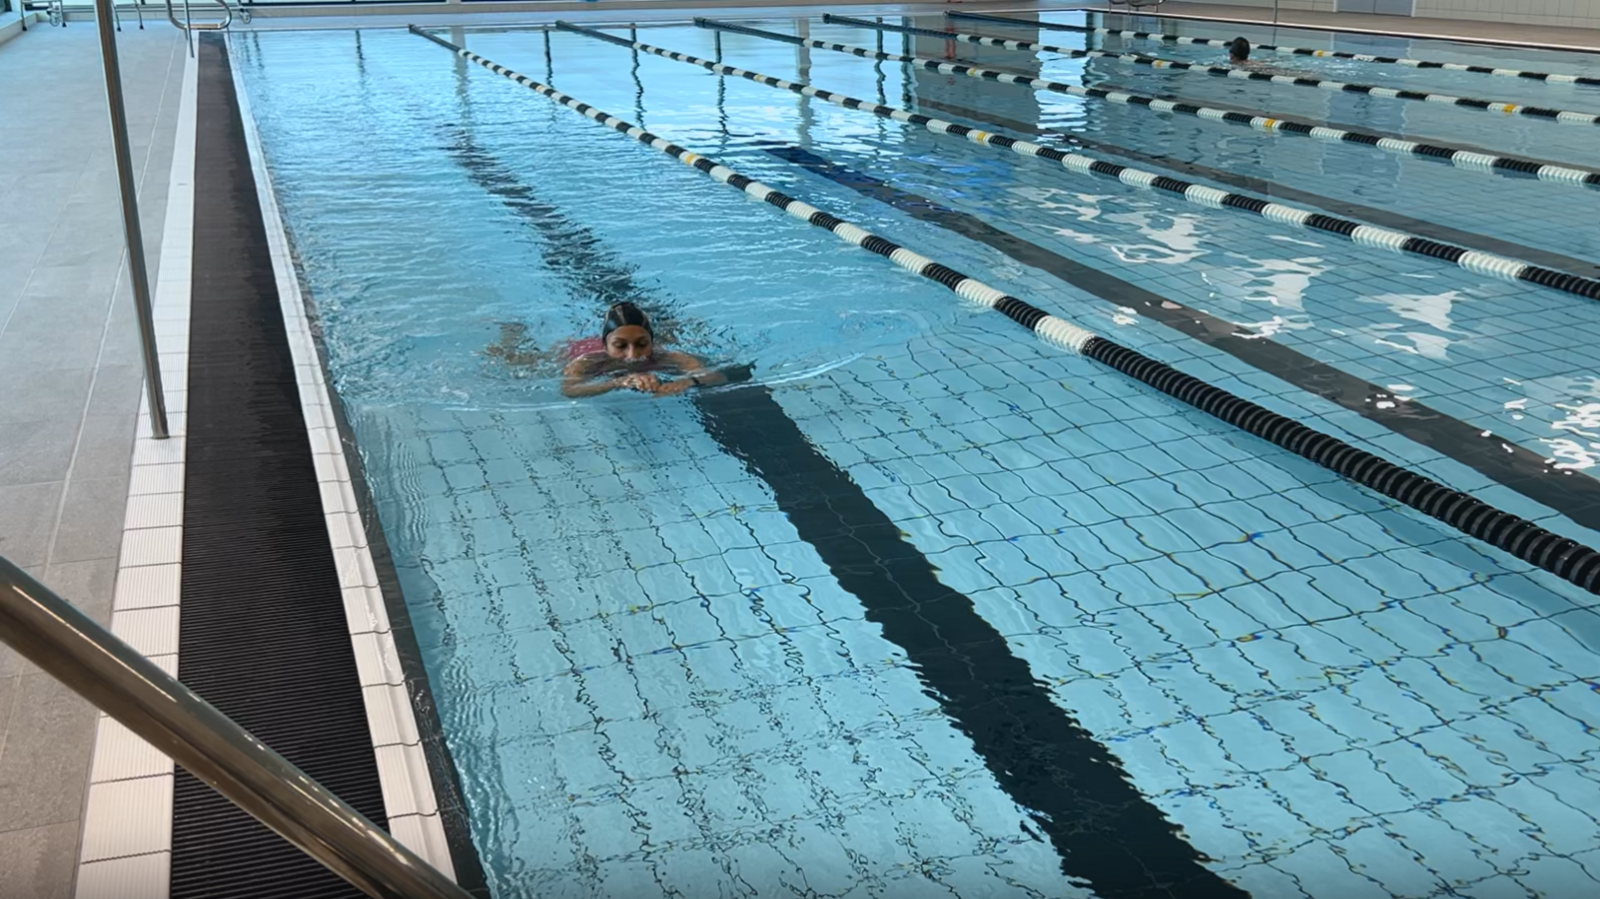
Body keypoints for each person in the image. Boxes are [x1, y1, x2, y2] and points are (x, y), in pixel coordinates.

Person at [560, 302, 725, 398]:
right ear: (605, 345)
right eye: (620, 346)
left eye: (642, 344)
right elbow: (570, 390)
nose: (632, 355)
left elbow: (715, 376)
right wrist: (618, 382)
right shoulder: (586, 361)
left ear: (652, 343)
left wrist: (686, 382)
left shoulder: (668, 357)